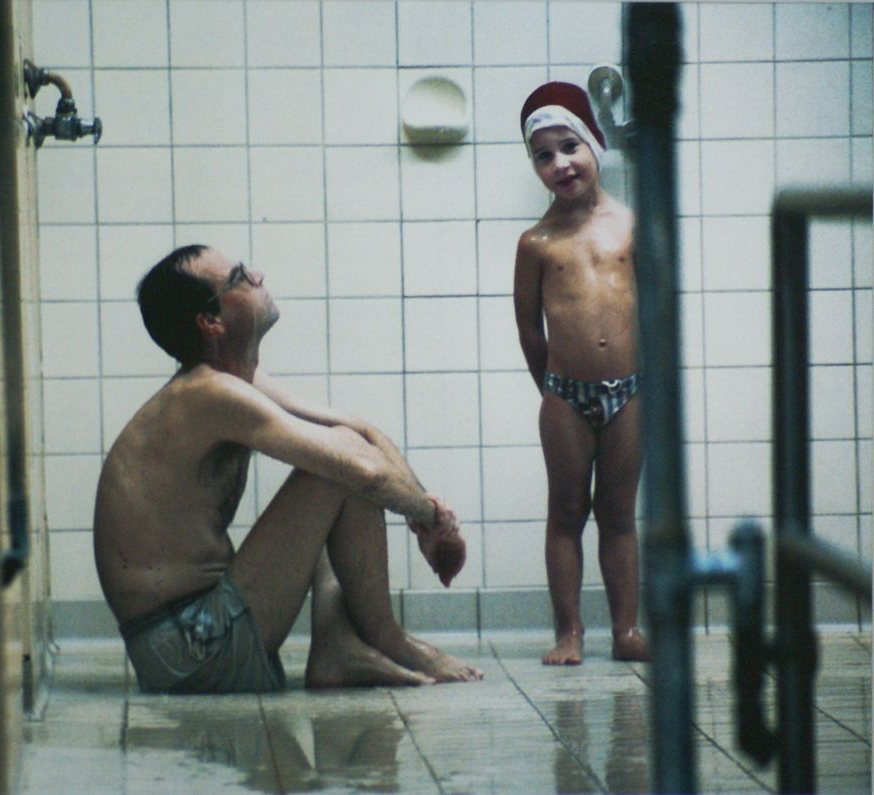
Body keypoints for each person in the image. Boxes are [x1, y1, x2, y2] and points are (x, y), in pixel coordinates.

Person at [94, 244, 483, 693]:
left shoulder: (233, 382)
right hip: (187, 650)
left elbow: (358, 431)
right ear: (211, 321)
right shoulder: (207, 393)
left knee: (337, 459)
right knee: (336, 470)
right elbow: (363, 468)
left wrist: (425, 512)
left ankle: (336, 650)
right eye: (239, 276)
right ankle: (387, 639)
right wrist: (434, 519)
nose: (257, 275)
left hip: (193, 637)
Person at [513, 82, 650, 665]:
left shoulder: (631, 226)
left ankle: (626, 632)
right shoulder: (537, 242)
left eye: (569, 146)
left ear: (594, 144)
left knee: (618, 515)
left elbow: (658, 311)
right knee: (565, 514)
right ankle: (569, 633)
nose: (559, 163)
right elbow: (528, 328)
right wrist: (552, 388)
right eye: (543, 155)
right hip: (564, 397)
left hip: (633, 391)